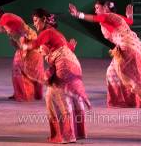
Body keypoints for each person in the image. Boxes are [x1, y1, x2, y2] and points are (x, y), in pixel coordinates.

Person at [23, 8, 91, 143]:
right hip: (73, 64)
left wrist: (24, 45)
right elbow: (63, 49)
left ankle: (66, 135)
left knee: (54, 96)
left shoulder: (47, 32)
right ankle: (78, 132)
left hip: (65, 65)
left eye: (36, 21)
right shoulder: (57, 34)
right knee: (70, 95)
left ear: (44, 20)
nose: (35, 24)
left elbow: (35, 44)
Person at [69, 0, 141, 108]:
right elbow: (130, 22)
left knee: (120, 71)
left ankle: (133, 88)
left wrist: (78, 14)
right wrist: (129, 16)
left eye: (97, 8)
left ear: (105, 7)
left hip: (127, 45)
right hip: (134, 44)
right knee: (112, 72)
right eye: (95, 9)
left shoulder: (106, 16)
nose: (96, 10)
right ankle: (128, 98)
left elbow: (94, 18)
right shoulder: (114, 17)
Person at [0, 7, 44, 102]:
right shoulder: (4, 24)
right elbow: (11, 33)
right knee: (17, 68)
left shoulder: (6, 16)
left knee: (34, 70)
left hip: (31, 42)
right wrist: (15, 43)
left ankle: (30, 95)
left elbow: (3, 26)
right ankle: (21, 94)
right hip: (23, 45)